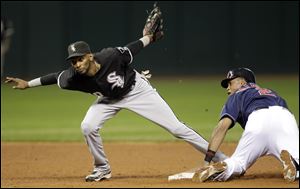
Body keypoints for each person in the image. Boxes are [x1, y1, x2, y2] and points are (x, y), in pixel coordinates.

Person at [5, 4, 227, 182]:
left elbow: (133, 48)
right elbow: (53, 77)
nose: (77, 64)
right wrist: (28, 84)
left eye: (80, 58)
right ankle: (102, 168)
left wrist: (149, 37)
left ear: (90, 56)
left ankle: (222, 159)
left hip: (137, 91)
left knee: (177, 128)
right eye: (73, 61)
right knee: (88, 126)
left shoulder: (111, 56)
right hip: (108, 100)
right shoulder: (73, 76)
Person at [192, 68, 299, 182]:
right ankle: (295, 163)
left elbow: (222, 127)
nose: (227, 88)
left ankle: (225, 168)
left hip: (258, 121)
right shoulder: (271, 93)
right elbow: (290, 126)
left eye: (230, 83)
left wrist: (207, 160)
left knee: (238, 163)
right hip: (284, 117)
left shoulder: (238, 94)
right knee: (296, 156)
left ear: (242, 83)